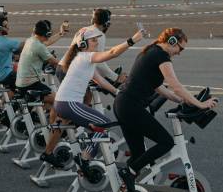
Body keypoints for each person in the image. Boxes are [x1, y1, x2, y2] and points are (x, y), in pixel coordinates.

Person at [114, 28, 218, 180]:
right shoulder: (161, 56)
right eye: (180, 48)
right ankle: (129, 172)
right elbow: (175, 85)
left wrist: (181, 100)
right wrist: (200, 105)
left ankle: (129, 188)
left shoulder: (152, 51)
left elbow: (158, 87)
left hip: (124, 105)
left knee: (138, 155)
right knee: (166, 142)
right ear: (172, 41)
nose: (179, 52)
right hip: (131, 107)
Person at [40, 20, 145, 166]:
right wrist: (132, 40)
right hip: (68, 104)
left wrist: (117, 91)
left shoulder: (83, 59)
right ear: (83, 44)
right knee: (103, 123)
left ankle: (48, 153)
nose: (97, 43)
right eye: (93, 40)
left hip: (63, 103)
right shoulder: (85, 56)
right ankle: (84, 159)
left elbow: (100, 80)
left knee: (77, 125)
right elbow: (113, 53)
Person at [15, 20, 68, 100]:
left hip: (21, 82)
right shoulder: (39, 46)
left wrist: (61, 33)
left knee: (49, 104)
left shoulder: (31, 40)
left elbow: (47, 42)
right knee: (57, 100)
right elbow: (55, 62)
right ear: (47, 34)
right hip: (30, 84)